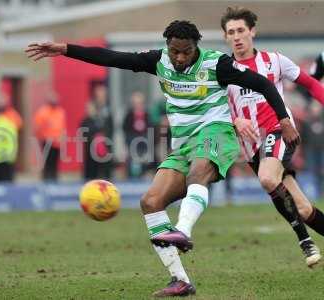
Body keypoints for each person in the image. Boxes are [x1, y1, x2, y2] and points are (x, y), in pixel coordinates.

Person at [26, 20, 300, 297]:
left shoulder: (217, 64)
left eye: (186, 52)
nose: (180, 58)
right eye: (175, 52)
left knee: (199, 171)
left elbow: (263, 83)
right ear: (167, 47)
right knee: (150, 202)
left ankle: (182, 229)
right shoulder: (159, 61)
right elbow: (112, 58)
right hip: (182, 145)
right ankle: (179, 280)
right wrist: (65, 49)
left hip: (216, 133)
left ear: (196, 47)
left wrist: (284, 120)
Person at [221, 6, 324, 267]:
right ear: (225, 37)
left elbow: (311, 83)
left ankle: (305, 242)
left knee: (268, 178)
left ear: (252, 31)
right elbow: (212, 111)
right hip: (252, 149)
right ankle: (307, 231)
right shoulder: (221, 71)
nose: (237, 37)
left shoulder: (274, 61)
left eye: (241, 30)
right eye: (231, 32)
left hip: (279, 133)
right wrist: (235, 120)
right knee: (303, 209)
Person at [34, 96, 66, 181]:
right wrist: (43, 137)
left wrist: (62, 139)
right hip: (47, 142)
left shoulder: (60, 111)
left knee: (55, 163)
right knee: (47, 163)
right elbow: (38, 127)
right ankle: (46, 179)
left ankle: (54, 179)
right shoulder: (43, 112)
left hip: (57, 142)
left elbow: (62, 127)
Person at [123, 91, 151, 178]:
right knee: (132, 162)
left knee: (144, 161)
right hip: (132, 143)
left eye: (139, 103)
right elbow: (125, 129)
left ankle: (142, 176)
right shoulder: (129, 115)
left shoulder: (147, 114)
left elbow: (150, 128)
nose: (138, 105)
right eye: (136, 103)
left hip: (144, 143)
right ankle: (131, 177)